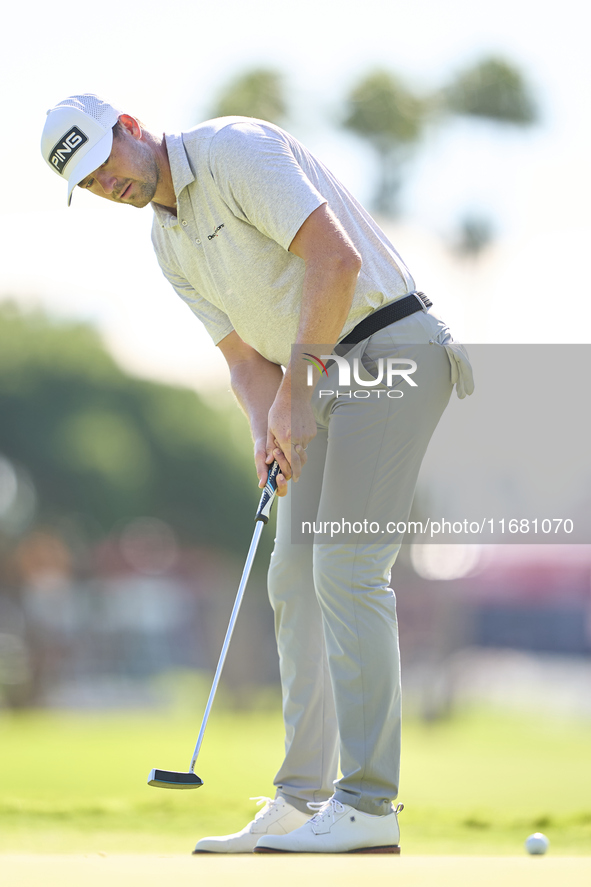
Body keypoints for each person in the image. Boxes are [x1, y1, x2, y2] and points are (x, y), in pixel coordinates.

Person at [41, 93, 473, 854]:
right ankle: (300, 798)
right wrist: (264, 425)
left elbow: (333, 258)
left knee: (345, 566)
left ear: (131, 128)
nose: (107, 182)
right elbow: (244, 363)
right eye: (90, 181)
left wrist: (296, 390)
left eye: (105, 160)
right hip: (318, 379)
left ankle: (369, 800)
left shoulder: (234, 150)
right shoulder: (166, 242)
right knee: (292, 577)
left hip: (392, 348)